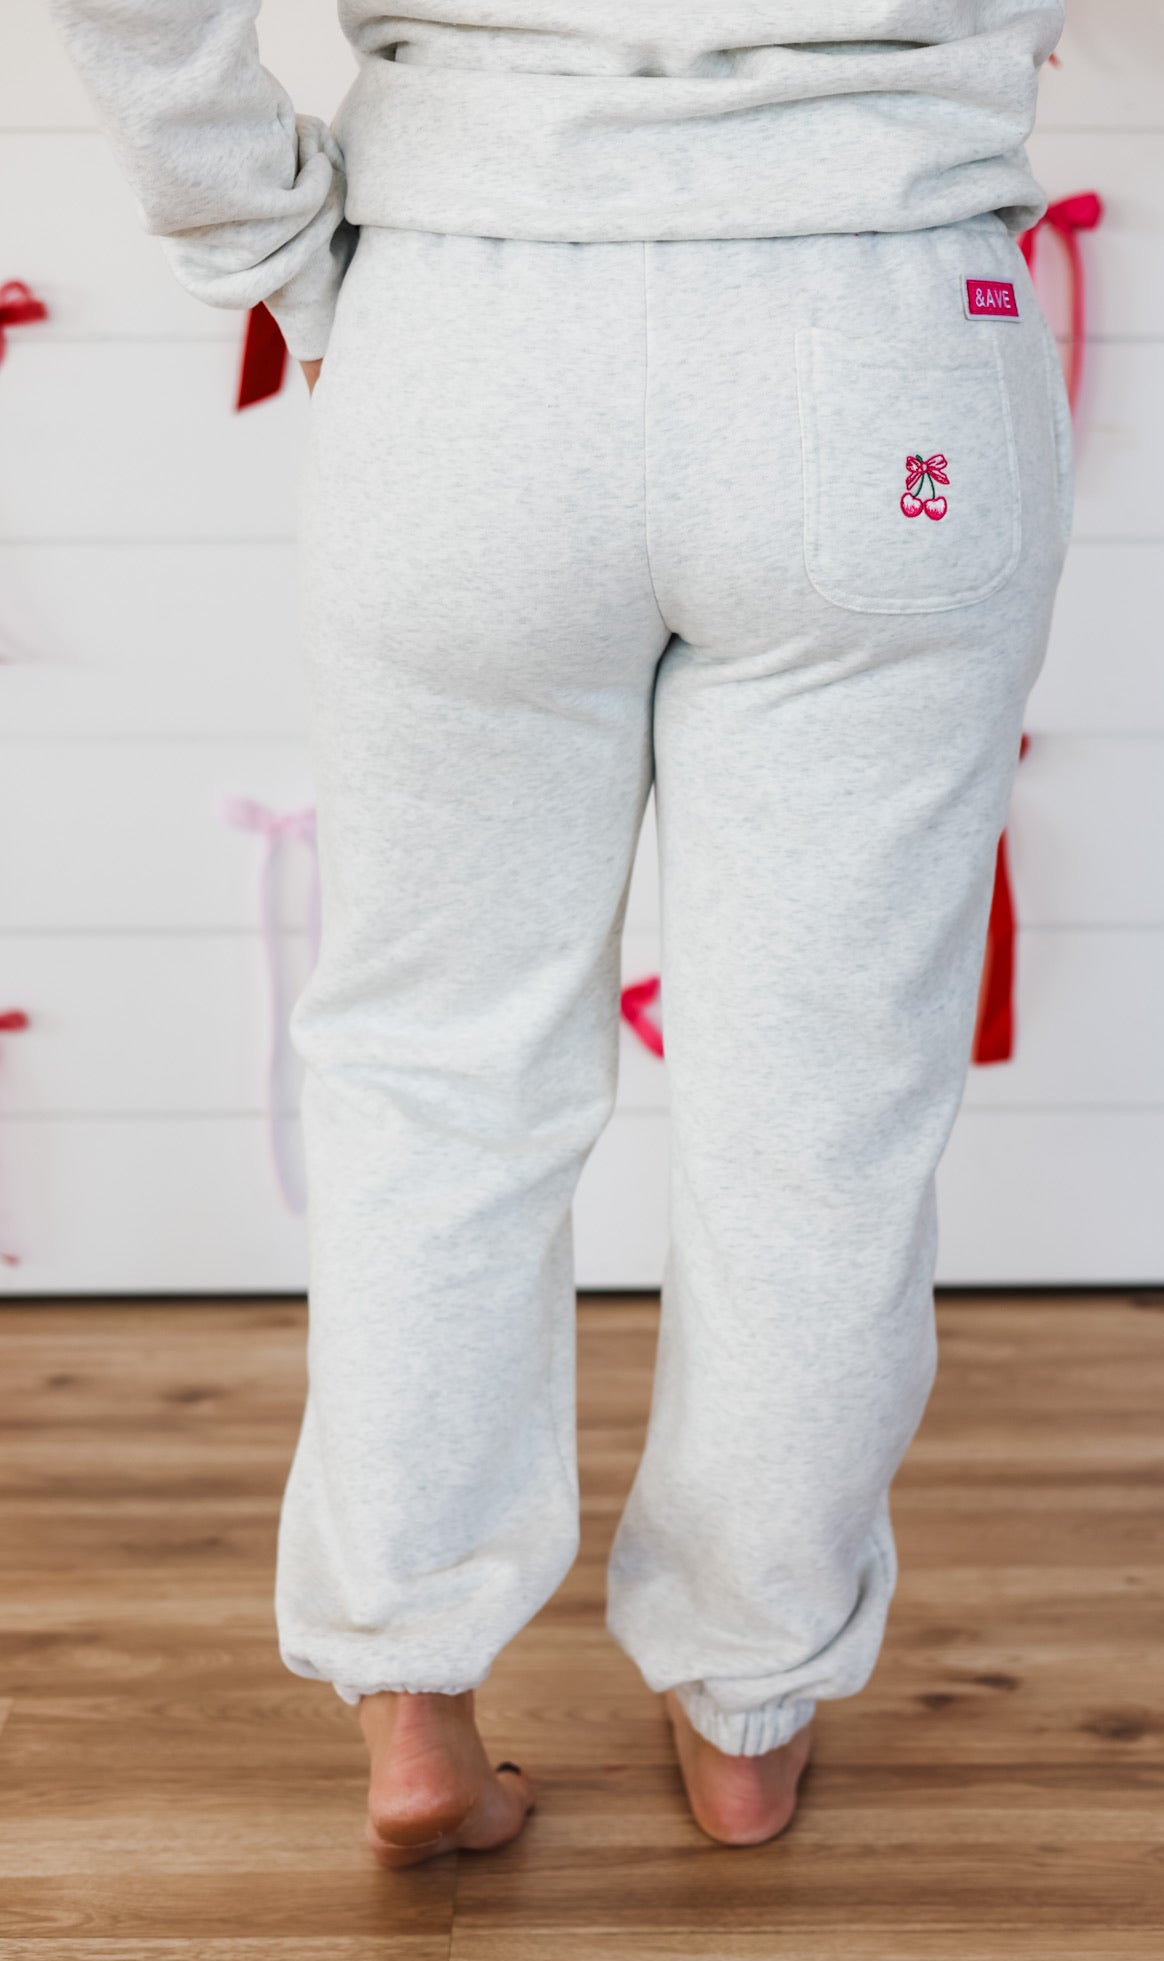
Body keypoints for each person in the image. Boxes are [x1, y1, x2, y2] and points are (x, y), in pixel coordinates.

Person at [50, 0, 1070, 1860]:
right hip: (886, 317)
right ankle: (749, 1702)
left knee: (438, 1065)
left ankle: (412, 1692)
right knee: (821, 1105)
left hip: (470, 322)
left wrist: (261, 235)